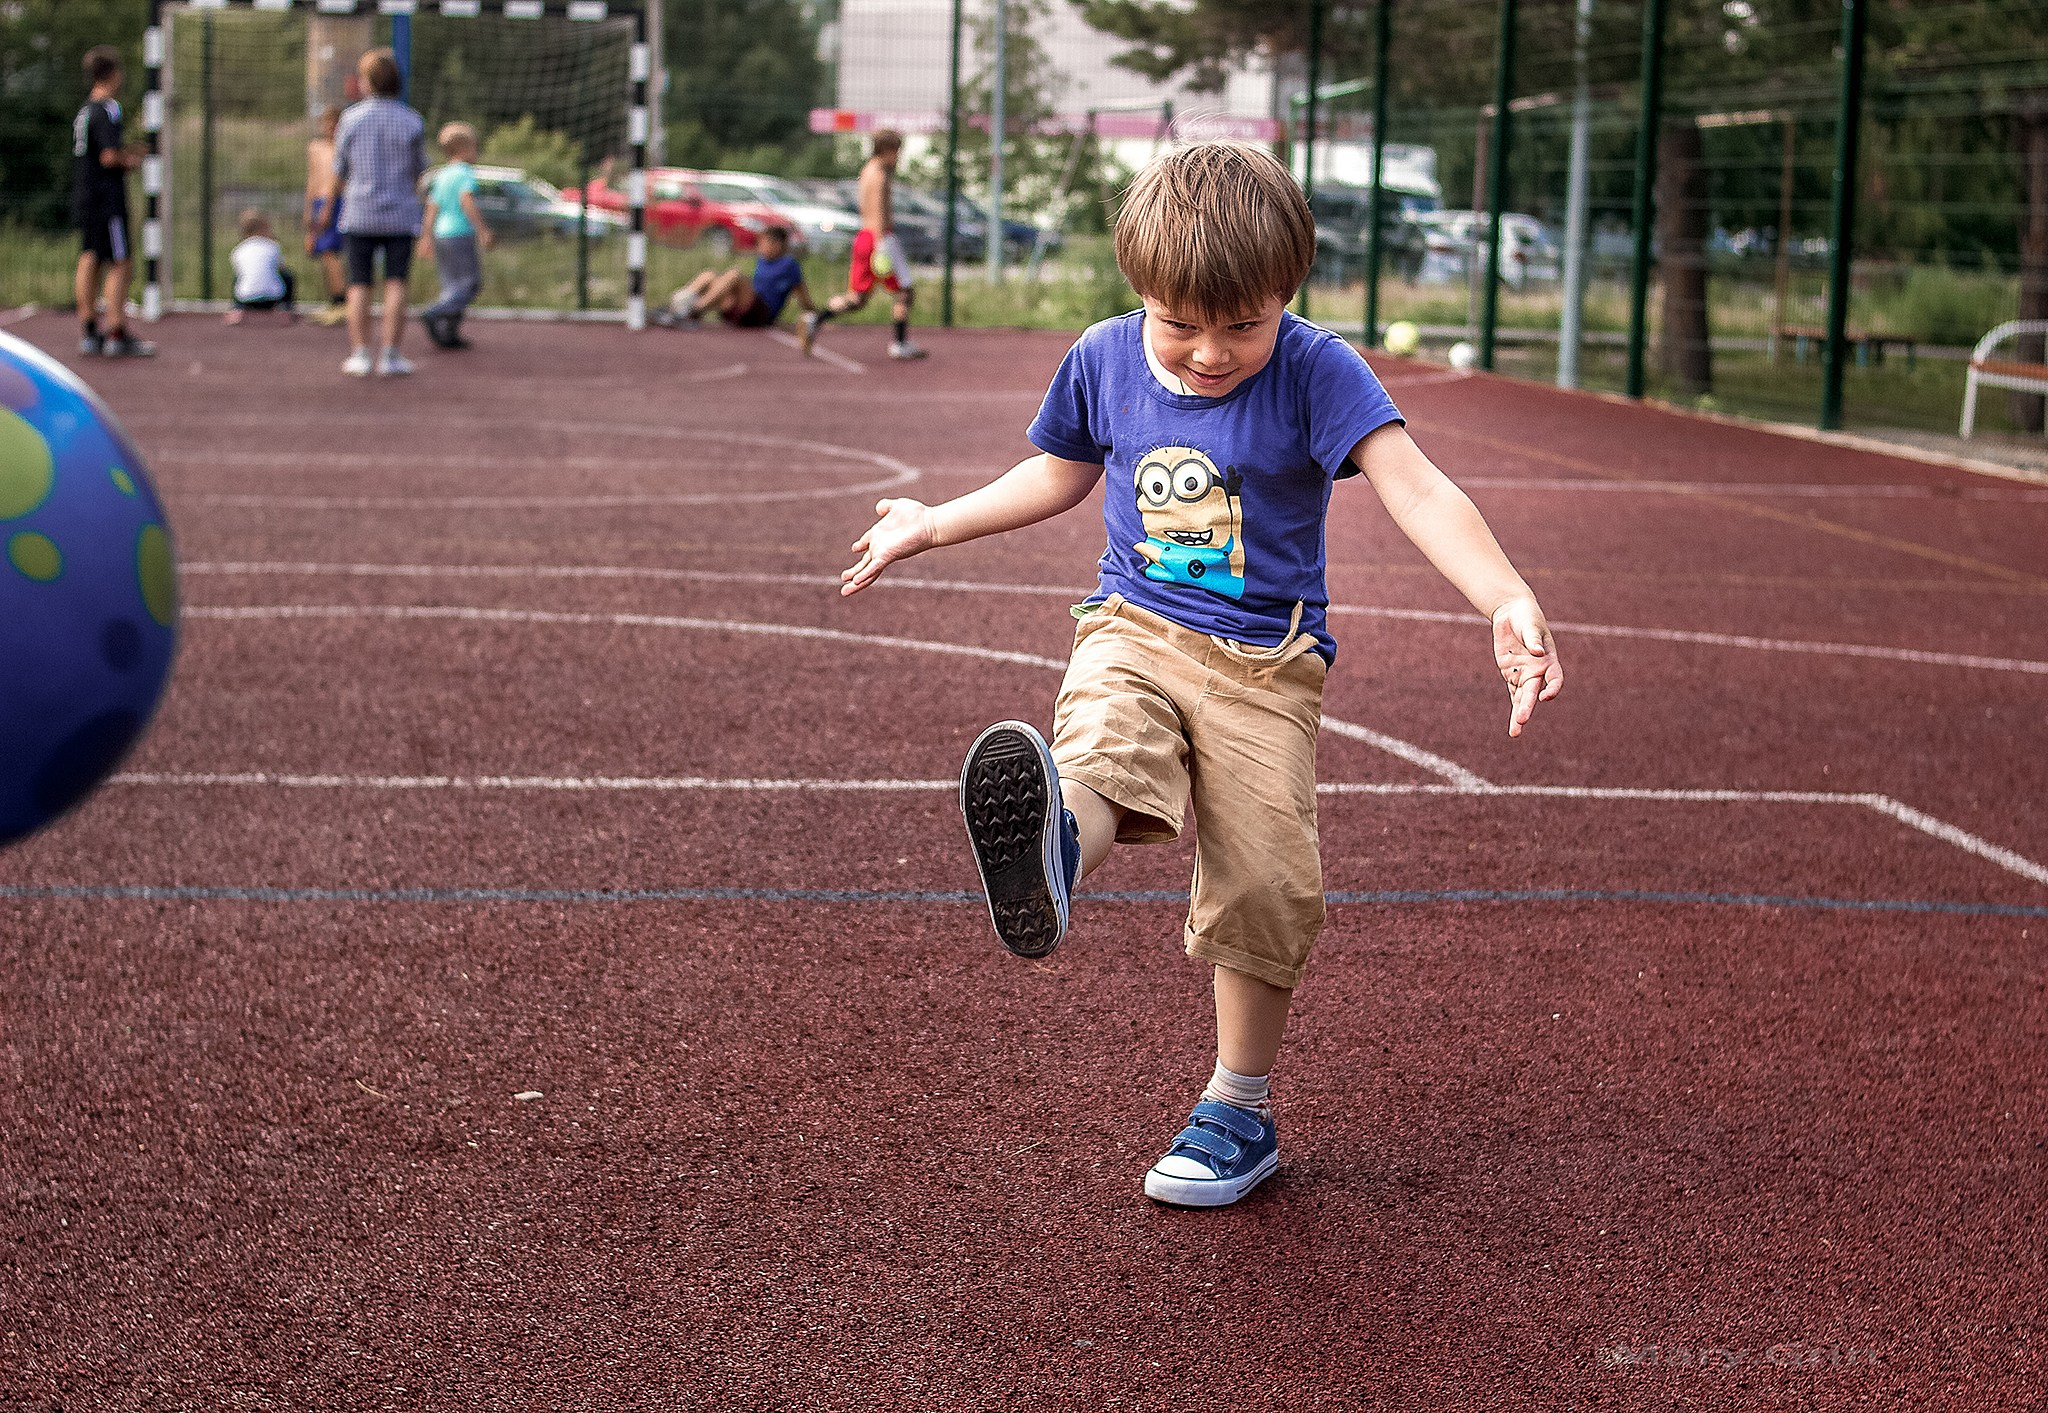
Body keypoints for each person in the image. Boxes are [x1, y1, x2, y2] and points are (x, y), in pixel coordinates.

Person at [840, 143, 1564, 1209]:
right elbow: (1056, 470)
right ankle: (1052, 849)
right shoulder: (1100, 355)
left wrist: (1503, 596)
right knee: (1102, 744)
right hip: (1131, 624)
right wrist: (933, 521)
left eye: (1242, 326)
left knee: (1265, 885)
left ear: (1288, 298)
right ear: (1138, 289)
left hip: (1266, 666)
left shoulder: (1318, 369)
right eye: (1180, 325)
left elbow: (1415, 489)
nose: (1209, 354)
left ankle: (1237, 1106)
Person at [329, 48, 426, 377]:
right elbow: (419, 172)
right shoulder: (412, 120)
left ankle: (360, 354)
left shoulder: (351, 119)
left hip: (360, 213)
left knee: (359, 285)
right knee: (396, 283)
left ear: (367, 81)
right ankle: (392, 355)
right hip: (400, 213)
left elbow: (339, 169)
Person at [799, 129, 924, 360]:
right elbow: (877, 211)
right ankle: (900, 343)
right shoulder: (879, 174)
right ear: (887, 150)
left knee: (857, 299)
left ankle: (815, 319)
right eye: (897, 152)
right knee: (904, 292)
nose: (898, 157)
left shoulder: (867, 170)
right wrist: (882, 245)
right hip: (879, 239)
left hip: (864, 238)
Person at [72, 45, 153, 359]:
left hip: (86, 195)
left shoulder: (84, 111)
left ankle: (89, 329)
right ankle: (117, 331)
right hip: (107, 198)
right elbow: (108, 157)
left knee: (89, 257)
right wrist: (132, 159)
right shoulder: (107, 109)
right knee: (122, 262)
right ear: (113, 74)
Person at [419, 122, 494, 350]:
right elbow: (467, 201)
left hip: (441, 234)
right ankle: (435, 313)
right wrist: (482, 229)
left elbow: (432, 206)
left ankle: (448, 333)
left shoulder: (441, 175)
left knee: (451, 285)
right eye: (474, 147)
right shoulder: (464, 173)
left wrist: (426, 236)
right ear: (463, 149)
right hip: (459, 234)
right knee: (470, 284)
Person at [658, 225, 812, 330]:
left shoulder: (789, 265)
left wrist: (817, 316)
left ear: (777, 245)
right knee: (709, 275)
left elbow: (803, 297)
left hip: (761, 314)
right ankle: (674, 306)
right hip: (744, 310)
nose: (759, 247)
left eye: (763, 244)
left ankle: (691, 311)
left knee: (735, 275)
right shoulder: (762, 260)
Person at [303, 105, 348, 325]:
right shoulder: (315, 148)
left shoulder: (343, 148)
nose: (330, 128)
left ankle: (342, 301)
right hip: (319, 201)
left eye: (335, 123)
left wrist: (328, 207)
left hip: (338, 202)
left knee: (331, 251)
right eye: (327, 123)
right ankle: (333, 299)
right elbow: (313, 180)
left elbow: (337, 180)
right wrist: (309, 209)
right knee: (322, 251)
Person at [224, 210, 295, 324]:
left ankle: (237, 308)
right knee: (288, 275)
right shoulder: (273, 246)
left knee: (238, 277)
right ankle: (285, 308)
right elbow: (282, 268)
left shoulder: (238, 250)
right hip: (273, 298)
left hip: (246, 299)